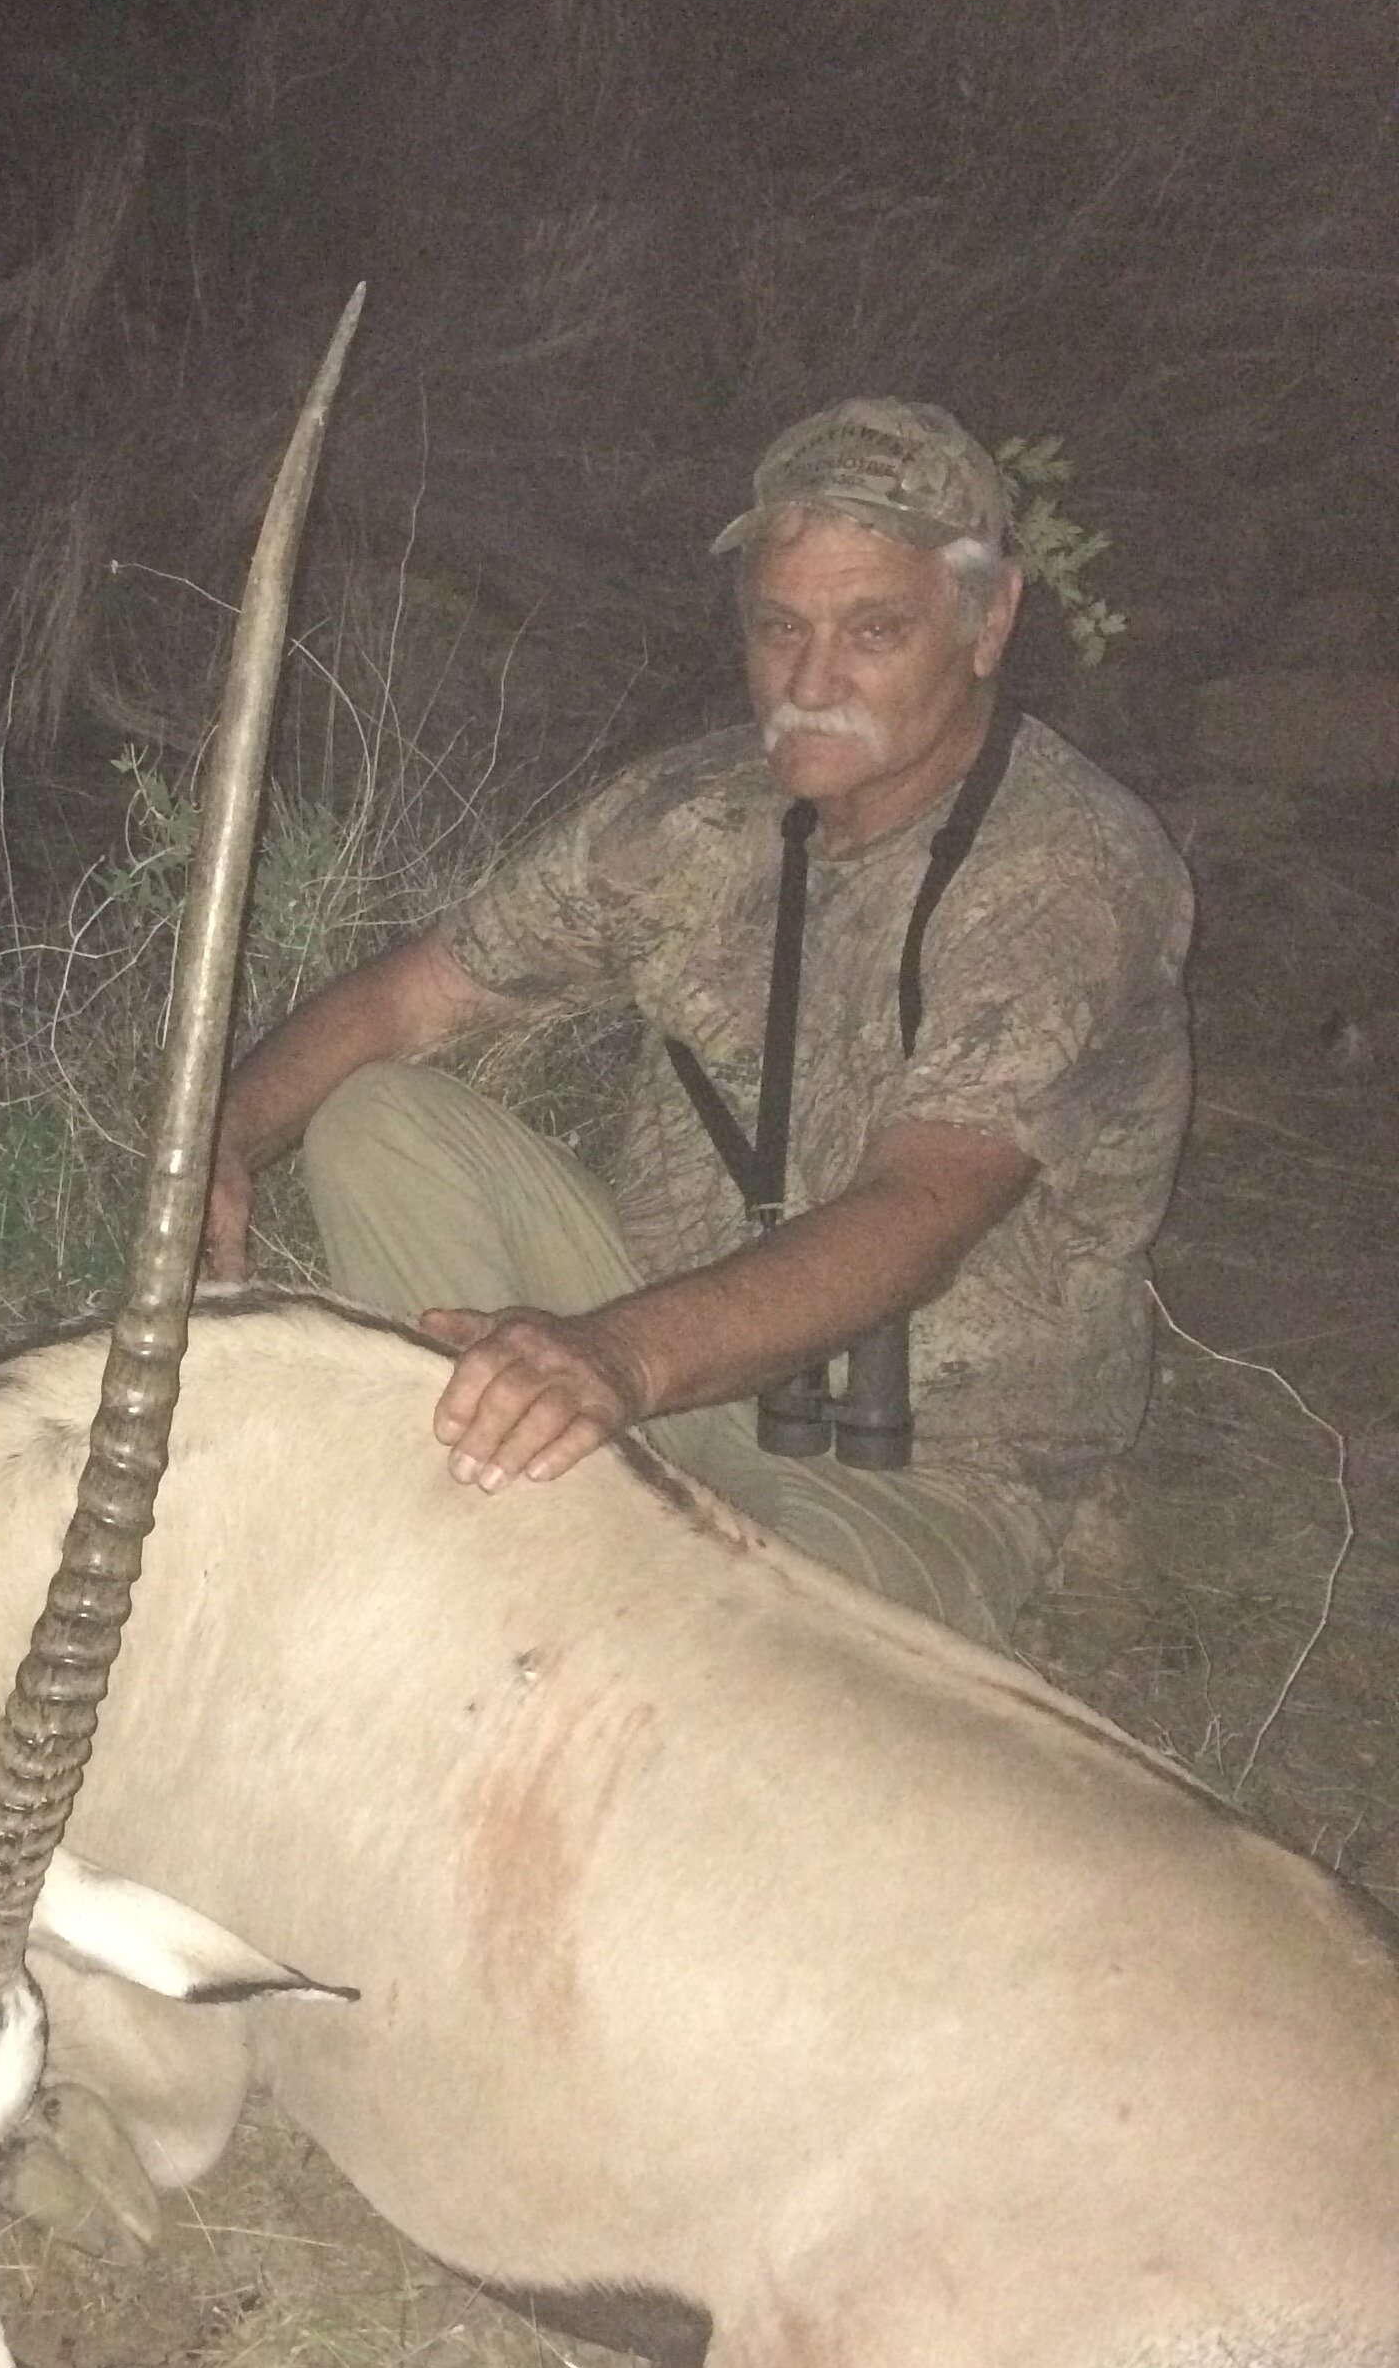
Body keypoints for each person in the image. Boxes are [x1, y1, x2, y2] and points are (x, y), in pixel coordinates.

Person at [204, 398, 1193, 1645]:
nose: (812, 681)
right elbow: (411, 999)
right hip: (665, 1336)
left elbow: (923, 1213)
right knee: (377, 1117)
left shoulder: (1067, 869)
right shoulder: (692, 812)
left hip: (935, 1449)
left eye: (874, 630)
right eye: (781, 628)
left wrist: (613, 1360)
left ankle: (544, 1537)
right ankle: (479, 1490)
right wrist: (224, 1140)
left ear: (988, 621)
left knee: (711, 1663)